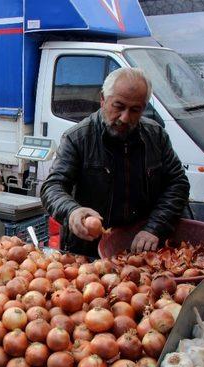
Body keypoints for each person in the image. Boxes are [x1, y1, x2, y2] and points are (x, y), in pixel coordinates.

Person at [41, 68, 190, 257]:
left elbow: (178, 183)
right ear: (103, 99)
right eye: (118, 106)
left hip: (141, 248)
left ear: (144, 108)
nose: (125, 118)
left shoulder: (156, 137)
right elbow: (52, 186)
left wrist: (154, 227)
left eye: (135, 110)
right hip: (89, 250)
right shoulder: (78, 138)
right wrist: (72, 212)